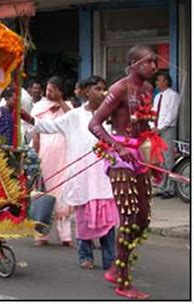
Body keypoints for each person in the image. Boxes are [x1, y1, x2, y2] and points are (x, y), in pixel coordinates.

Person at [88, 44, 165, 299]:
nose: (153, 67)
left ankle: (115, 268)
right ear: (133, 64)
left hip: (140, 157)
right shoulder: (120, 88)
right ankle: (123, 282)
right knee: (129, 216)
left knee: (143, 219)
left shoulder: (147, 89)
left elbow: (146, 127)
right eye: (148, 62)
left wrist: (154, 157)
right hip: (120, 160)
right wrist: (118, 147)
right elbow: (94, 124)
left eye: (155, 62)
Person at [26, 76, 118, 270]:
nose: (103, 93)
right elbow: (48, 127)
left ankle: (110, 259)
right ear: (86, 92)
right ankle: (85, 255)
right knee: (84, 218)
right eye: (98, 89)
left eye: (104, 89)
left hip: (104, 177)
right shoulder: (75, 116)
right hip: (82, 177)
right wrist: (25, 116)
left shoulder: (112, 115)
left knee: (107, 219)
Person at [30, 76, 73, 247]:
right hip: (45, 156)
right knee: (43, 195)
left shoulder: (68, 107)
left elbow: (73, 120)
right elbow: (35, 132)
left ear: (60, 91)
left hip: (64, 156)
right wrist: (35, 154)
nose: (49, 92)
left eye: (53, 89)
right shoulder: (39, 107)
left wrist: (61, 101)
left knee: (63, 195)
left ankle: (66, 236)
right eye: (48, 89)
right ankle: (40, 235)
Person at [152, 72, 181, 199]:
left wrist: (161, 127)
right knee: (161, 159)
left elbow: (171, 114)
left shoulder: (173, 95)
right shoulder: (157, 96)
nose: (157, 83)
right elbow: (153, 111)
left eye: (159, 80)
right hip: (156, 130)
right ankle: (163, 186)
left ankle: (171, 188)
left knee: (168, 158)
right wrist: (152, 126)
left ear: (166, 81)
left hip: (167, 130)